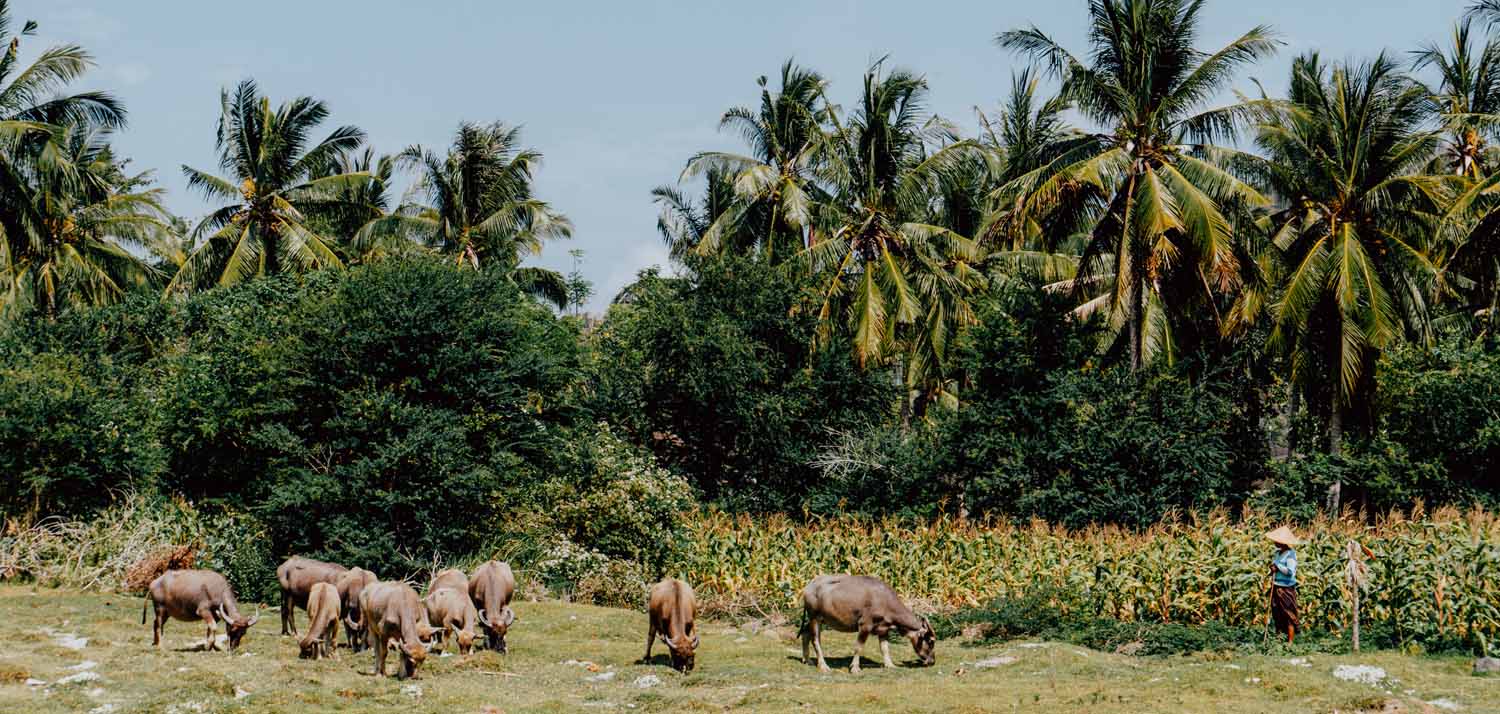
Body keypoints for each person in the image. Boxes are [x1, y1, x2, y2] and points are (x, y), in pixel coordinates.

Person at [1265, 526, 1301, 643]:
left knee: (1289, 614)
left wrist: (1278, 567)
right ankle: (1279, 640)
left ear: (1283, 542)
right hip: (1276, 585)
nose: (1274, 542)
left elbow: (1290, 571)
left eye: (1277, 541)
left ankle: (1290, 643)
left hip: (1286, 589)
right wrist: (1271, 571)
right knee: (1277, 614)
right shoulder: (1277, 553)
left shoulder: (1291, 554)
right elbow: (1276, 568)